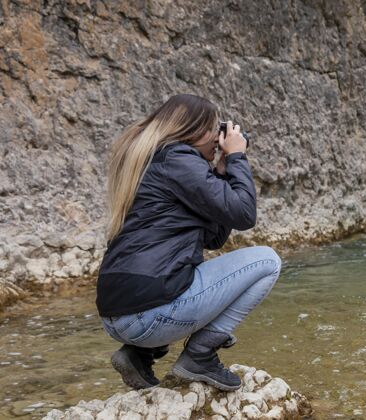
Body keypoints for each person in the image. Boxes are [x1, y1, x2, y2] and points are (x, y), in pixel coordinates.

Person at [96, 94, 282, 392]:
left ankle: (138, 355)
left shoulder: (153, 162)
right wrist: (237, 157)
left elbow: (214, 238)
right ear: (194, 131)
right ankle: (200, 355)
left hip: (118, 317)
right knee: (267, 261)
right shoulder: (178, 159)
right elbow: (245, 214)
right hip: (147, 316)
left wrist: (220, 172)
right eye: (214, 130)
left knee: (184, 274)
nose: (218, 138)